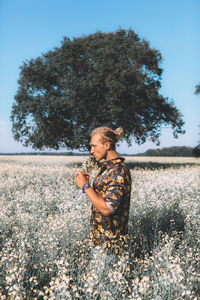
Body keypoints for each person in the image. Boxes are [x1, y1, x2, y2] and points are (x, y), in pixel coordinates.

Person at [75, 126, 132, 256]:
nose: (91, 151)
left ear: (107, 145)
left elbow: (107, 208)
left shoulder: (119, 171)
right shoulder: (108, 169)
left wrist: (85, 186)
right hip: (99, 241)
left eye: (94, 146)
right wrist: (87, 185)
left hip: (110, 245)